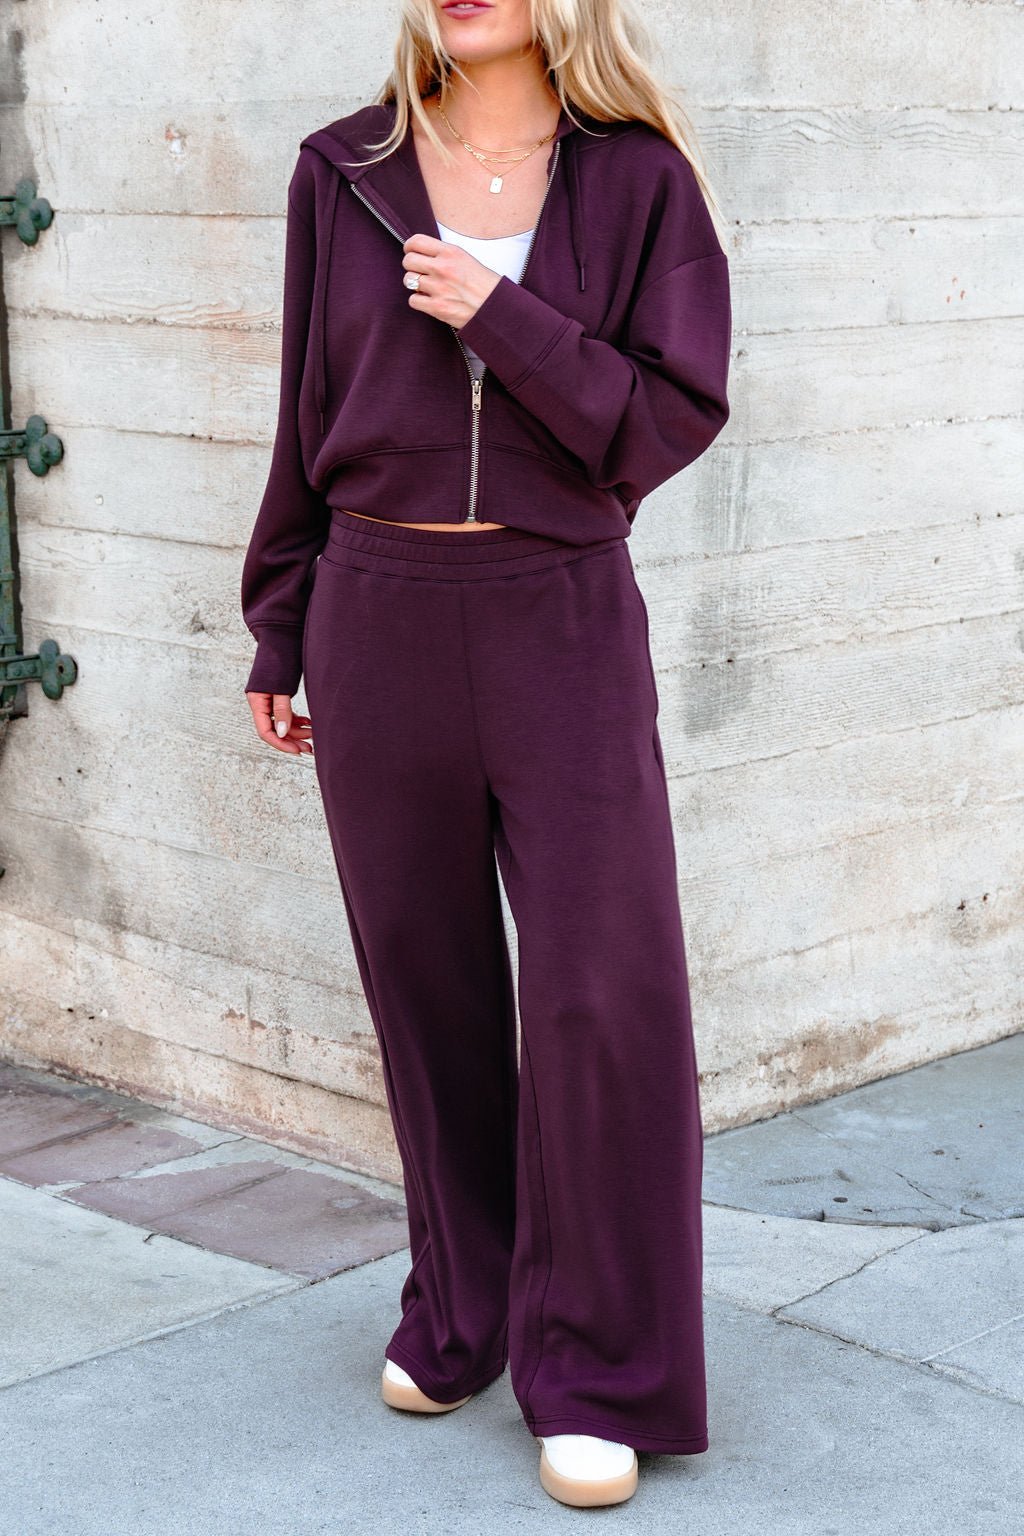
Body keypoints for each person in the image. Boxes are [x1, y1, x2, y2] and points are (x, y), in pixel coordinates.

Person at [240, 0, 731, 1509]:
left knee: (603, 992)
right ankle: (463, 1313)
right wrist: (282, 620)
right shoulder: (346, 168)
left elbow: (672, 413)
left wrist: (498, 314)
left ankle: (600, 1367)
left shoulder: (641, 180)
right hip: (376, 610)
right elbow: (305, 411)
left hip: (558, 613)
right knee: (427, 986)